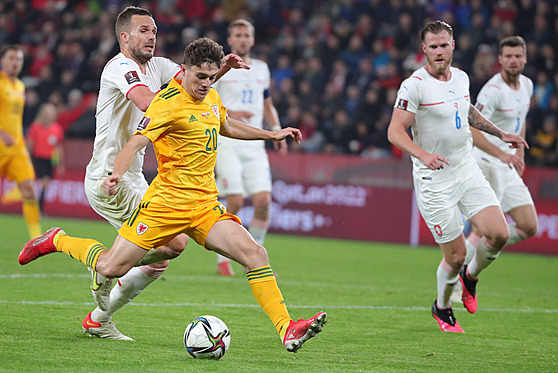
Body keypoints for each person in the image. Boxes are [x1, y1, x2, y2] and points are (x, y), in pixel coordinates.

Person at [19, 37, 327, 353]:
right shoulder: (166, 104)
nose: (206, 84)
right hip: (164, 205)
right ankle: (57, 240)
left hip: (205, 205)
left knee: (256, 254)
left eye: (211, 77)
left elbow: (226, 125)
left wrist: (271, 133)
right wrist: (116, 174)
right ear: (183, 71)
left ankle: (287, 329)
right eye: (200, 77)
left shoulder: (211, 98)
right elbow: (135, 143)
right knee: (111, 268)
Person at [70, 6, 248, 340]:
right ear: (124, 37)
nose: (151, 36)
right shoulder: (119, 67)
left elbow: (194, 87)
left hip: (134, 176)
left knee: (165, 255)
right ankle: (91, 268)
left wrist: (218, 70)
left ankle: (99, 314)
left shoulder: (161, 66)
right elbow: (149, 102)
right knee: (169, 247)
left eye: (153, 30)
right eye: (142, 31)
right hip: (110, 176)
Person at [387, 21, 528, 333]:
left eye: (444, 45)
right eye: (433, 46)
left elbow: (468, 114)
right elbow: (394, 132)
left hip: (466, 169)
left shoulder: (462, 78)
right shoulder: (414, 85)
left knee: (499, 234)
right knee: (456, 254)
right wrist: (423, 155)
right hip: (434, 181)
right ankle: (442, 306)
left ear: (453, 45)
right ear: (424, 49)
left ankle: (470, 277)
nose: (439, 51)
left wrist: (501, 132)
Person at [451, 36, 538, 304]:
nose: (513, 60)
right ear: (500, 60)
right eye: (508, 56)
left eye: (518, 56)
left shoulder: (527, 85)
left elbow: (519, 122)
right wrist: (502, 154)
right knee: (483, 232)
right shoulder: (492, 90)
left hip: (508, 165)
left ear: (524, 58)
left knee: (528, 226)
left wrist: (519, 152)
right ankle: (457, 283)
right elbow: (472, 130)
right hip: (486, 164)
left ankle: (469, 265)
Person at [213, 19, 287, 276]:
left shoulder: (262, 69)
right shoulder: (220, 67)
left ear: (252, 40)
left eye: (246, 35)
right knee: (234, 199)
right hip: (228, 141)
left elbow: (267, 103)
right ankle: (223, 260)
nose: (243, 39)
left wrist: (277, 130)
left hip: (255, 144)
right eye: (238, 35)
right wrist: (231, 112)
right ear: (230, 40)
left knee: (263, 201)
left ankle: (255, 259)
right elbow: (207, 99)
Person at [0, 45, 42, 239]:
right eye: (11, 58)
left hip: (17, 148)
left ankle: (36, 238)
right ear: (3, 61)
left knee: (30, 190)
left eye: (19, 59)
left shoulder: (20, 86)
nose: (15, 62)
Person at [26, 103, 65, 213]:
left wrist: (61, 163)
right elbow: (30, 143)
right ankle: (39, 208)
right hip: (39, 157)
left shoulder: (57, 128)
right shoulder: (36, 127)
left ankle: (38, 206)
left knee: (46, 183)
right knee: (44, 181)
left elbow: (58, 146)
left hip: (50, 159)